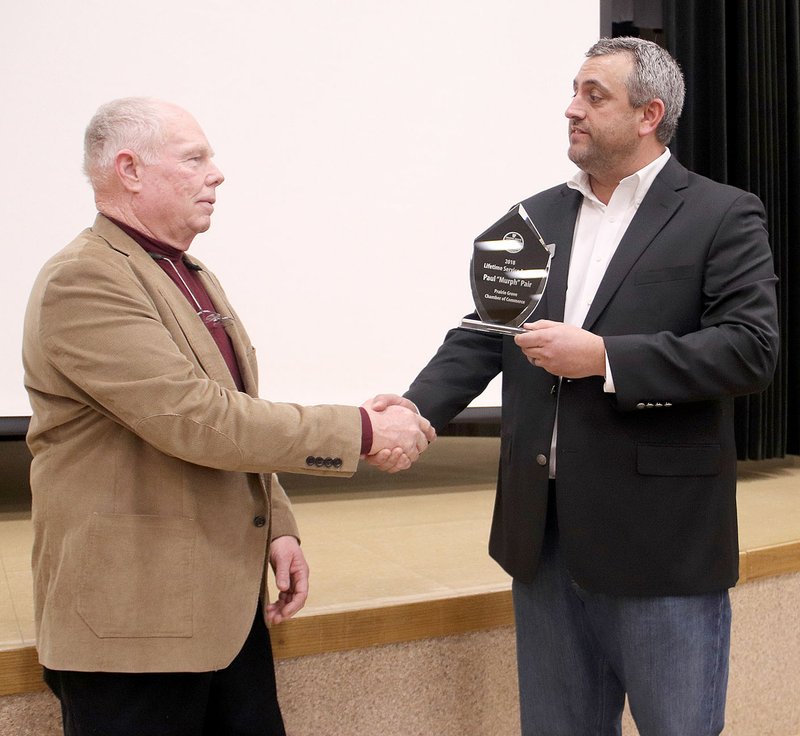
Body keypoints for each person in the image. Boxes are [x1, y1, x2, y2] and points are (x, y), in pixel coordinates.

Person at [371, 37, 779, 735]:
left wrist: (605, 358)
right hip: (545, 541)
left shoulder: (721, 214)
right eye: (573, 92)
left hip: (662, 547)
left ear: (649, 114)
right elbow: (482, 333)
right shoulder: (532, 219)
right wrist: (414, 409)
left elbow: (750, 349)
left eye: (594, 96)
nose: (572, 110)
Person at [22, 97, 435, 736]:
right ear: (129, 170)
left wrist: (277, 527)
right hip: (134, 631)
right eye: (195, 158)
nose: (218, 174)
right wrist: (362, 430)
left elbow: (231, 414)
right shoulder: (85, 280)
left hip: (220, 612)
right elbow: (195, 418)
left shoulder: (188, 272)